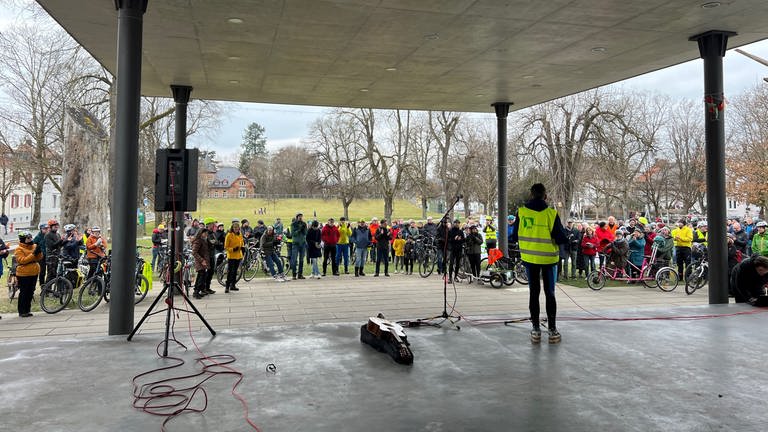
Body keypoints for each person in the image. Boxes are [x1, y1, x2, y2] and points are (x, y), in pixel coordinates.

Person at [510, 183, 568, 344]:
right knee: (550, 293)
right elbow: (560, 237)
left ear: (531, 194)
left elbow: (514, 236)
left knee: (533, 293)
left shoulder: (521, 212)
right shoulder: (551, 213)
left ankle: (535, 329)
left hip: (529, 259)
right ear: (545, 196)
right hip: (549, 260)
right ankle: (552, 330)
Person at [15, 231, 43, 317]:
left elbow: (39, 258)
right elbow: (22, 260)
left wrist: (39, 252)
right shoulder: (19, 249)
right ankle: (22, 311)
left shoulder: (34, 246)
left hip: (34, 272)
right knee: (24, 292)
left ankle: (27, 309)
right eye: (28, 238)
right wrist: (33, 254)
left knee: (31, 291)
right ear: (23, 239)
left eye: (31, 237)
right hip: (23, 274)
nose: (30, 239)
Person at [223, 221, 244, 293]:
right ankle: (227, 286)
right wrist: (233, 249)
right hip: (231, 256)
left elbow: (242, 243)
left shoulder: (240, 235)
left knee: (235, 272)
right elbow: (226, 247)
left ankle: (233, 285)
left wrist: (242, 247)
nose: (236, 229)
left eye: (238, 228)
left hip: (238, 256)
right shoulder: (229, 235)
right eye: (235, 228)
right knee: (230, 272)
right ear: (232, 228)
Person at [190, 228, 211, 299]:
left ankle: (198, 291)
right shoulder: (198, 241)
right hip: (200, 262)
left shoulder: (203, 240)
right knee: (201, 276)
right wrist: (202, 260)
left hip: (203, 261)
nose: (206, 234)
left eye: (206, 233)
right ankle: (196, 292)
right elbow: (194, 252)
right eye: (204, 233)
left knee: (202, 276)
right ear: (200, 233)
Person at [202, 217, 217, 296]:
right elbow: (207, 243)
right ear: (208, 225)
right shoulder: (205, 233)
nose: (214, 225)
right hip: (207, 255)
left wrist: (214, 242)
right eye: (212, 224)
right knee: (206, 273)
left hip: (212, 255)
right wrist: (212, 243)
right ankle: (203, 288)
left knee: (211, 272)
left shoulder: (212, 233)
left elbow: (216, 242)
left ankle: (207, 287)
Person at [290, 213, 308, 280]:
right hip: (295, 244)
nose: (300, 217)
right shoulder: (293, 224)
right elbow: (293, 234)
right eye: (299, 216)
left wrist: (303, 229)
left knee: (301, 259)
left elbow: (306, 233)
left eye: (301, 216)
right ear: (297, 217)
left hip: (302, 243)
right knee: (294, 259)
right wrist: (299, 229)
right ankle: (294, 275)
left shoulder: (304, 224)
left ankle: (300, 274)